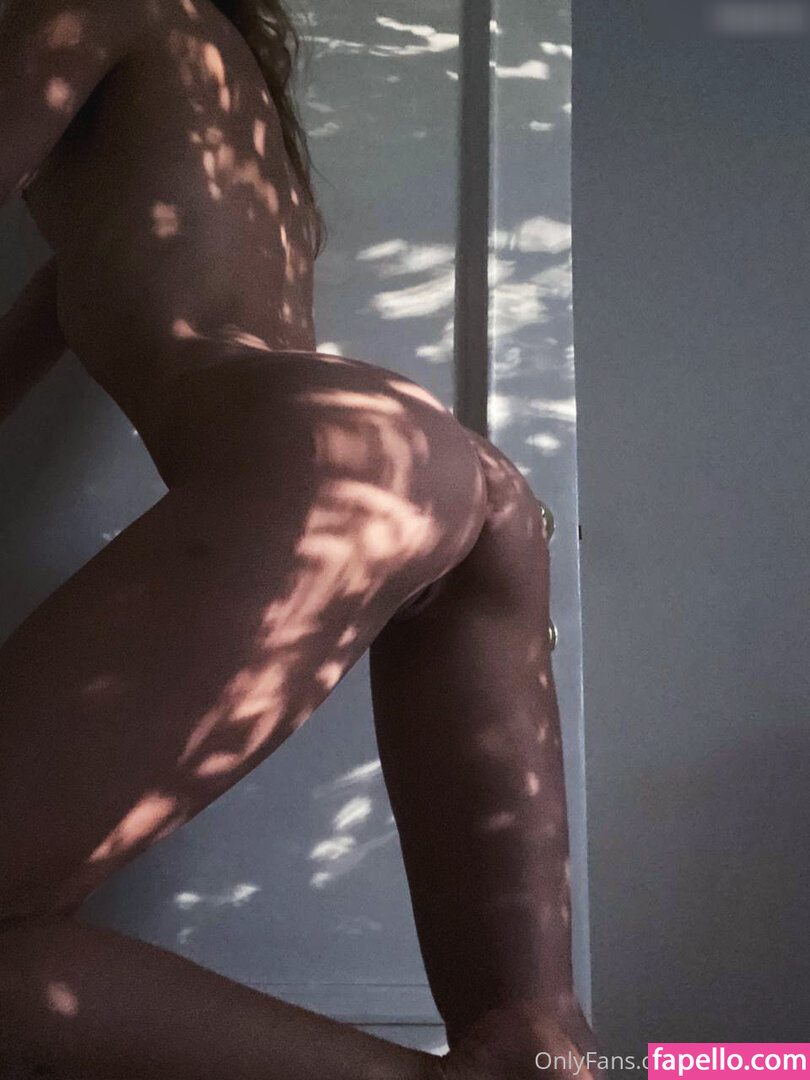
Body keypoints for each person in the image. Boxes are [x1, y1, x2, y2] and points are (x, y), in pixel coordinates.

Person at [0, 0, 600, 1077]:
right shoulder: (202, 96)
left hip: (336, 472)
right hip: (445, 479)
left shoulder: (89, 7)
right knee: (537, 1043)